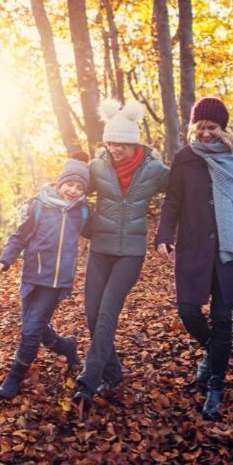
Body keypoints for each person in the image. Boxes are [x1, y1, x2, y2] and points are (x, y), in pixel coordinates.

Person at [156, 97, 233, 419]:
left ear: (222, 127)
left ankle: (216, 385)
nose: (206, 133)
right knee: (188, 311)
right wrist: (163, 236)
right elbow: (172, 200)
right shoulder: (184, 158)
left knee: (223, 318)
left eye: (212, 127)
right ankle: (214, 353)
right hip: (194, 244)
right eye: (200, 127)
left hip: (231, 247)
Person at [72, 98, 170, 410]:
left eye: (121, 144)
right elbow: (71, 186)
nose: (115, 149)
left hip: (130, 253)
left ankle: (88, 380)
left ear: (134, 143)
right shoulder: (97, 167)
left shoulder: (154, 170)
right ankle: (113, 372)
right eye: (110, 143)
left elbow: (183, 189)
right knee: (91, 314)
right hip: (99, 249)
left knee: (107, 313)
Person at [0, 154, 90, 400]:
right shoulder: (39, 205)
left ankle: (14, 377)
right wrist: (5, 260)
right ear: (60, 183)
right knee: (33, 326)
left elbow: (99, 233)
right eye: (70, 184)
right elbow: (19, 236)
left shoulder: (83, 212)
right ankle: (65, 345)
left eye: (79, 187)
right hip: (32, 276)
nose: (73, 190)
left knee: (31, 330)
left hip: (56, 282)